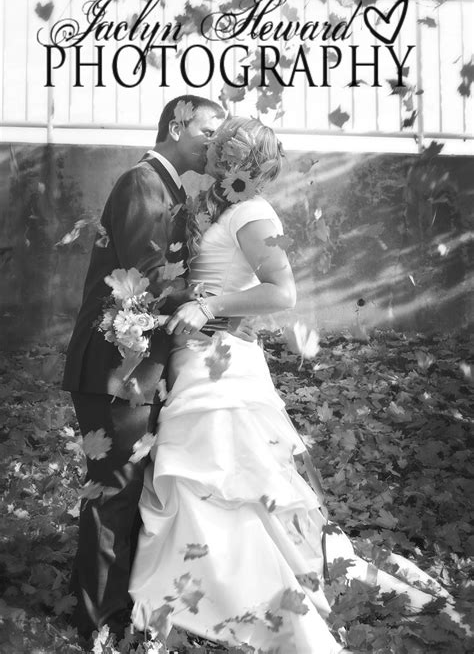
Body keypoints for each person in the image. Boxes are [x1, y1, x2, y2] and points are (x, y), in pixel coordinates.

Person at [129, 118, 465, 652]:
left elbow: (281, 294)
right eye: (218, 142)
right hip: (197, 357)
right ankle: (202, 582)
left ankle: (248, 593)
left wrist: (208, 305)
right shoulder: (217, 207)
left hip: (222, 361)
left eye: (227, 144)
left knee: (226, 475)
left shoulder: (255, 212)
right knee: (207, 475)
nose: (216, 148)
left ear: (244, 162)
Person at [62, 95, 225, 641]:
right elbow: (141, 278)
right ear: (177, 126)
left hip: (139, 367)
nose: (215, 142)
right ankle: (96, 626)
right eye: (208, 129)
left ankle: (111, 603)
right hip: (113, 370)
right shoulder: (141, 183)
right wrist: (209, 304)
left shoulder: (172, 187)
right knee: (112, 494)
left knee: (128, 492)